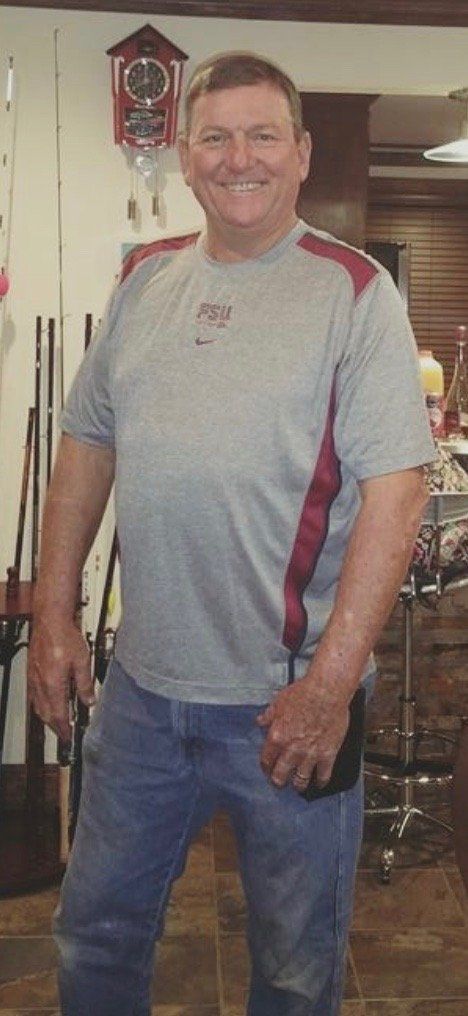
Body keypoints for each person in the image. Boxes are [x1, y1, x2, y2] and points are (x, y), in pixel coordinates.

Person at [28, 51, 435, 1016]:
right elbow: (86, 445)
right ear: (185, 154)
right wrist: (54, 616)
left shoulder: (355, 293)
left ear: (302, 153)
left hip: (287, 705)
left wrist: (330, 688)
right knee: (95, 937)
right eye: (214, 136)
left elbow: (398, 494)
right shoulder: (143, 280)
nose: (237, 157)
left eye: (262, 135)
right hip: (142, 697)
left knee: (295, 971)